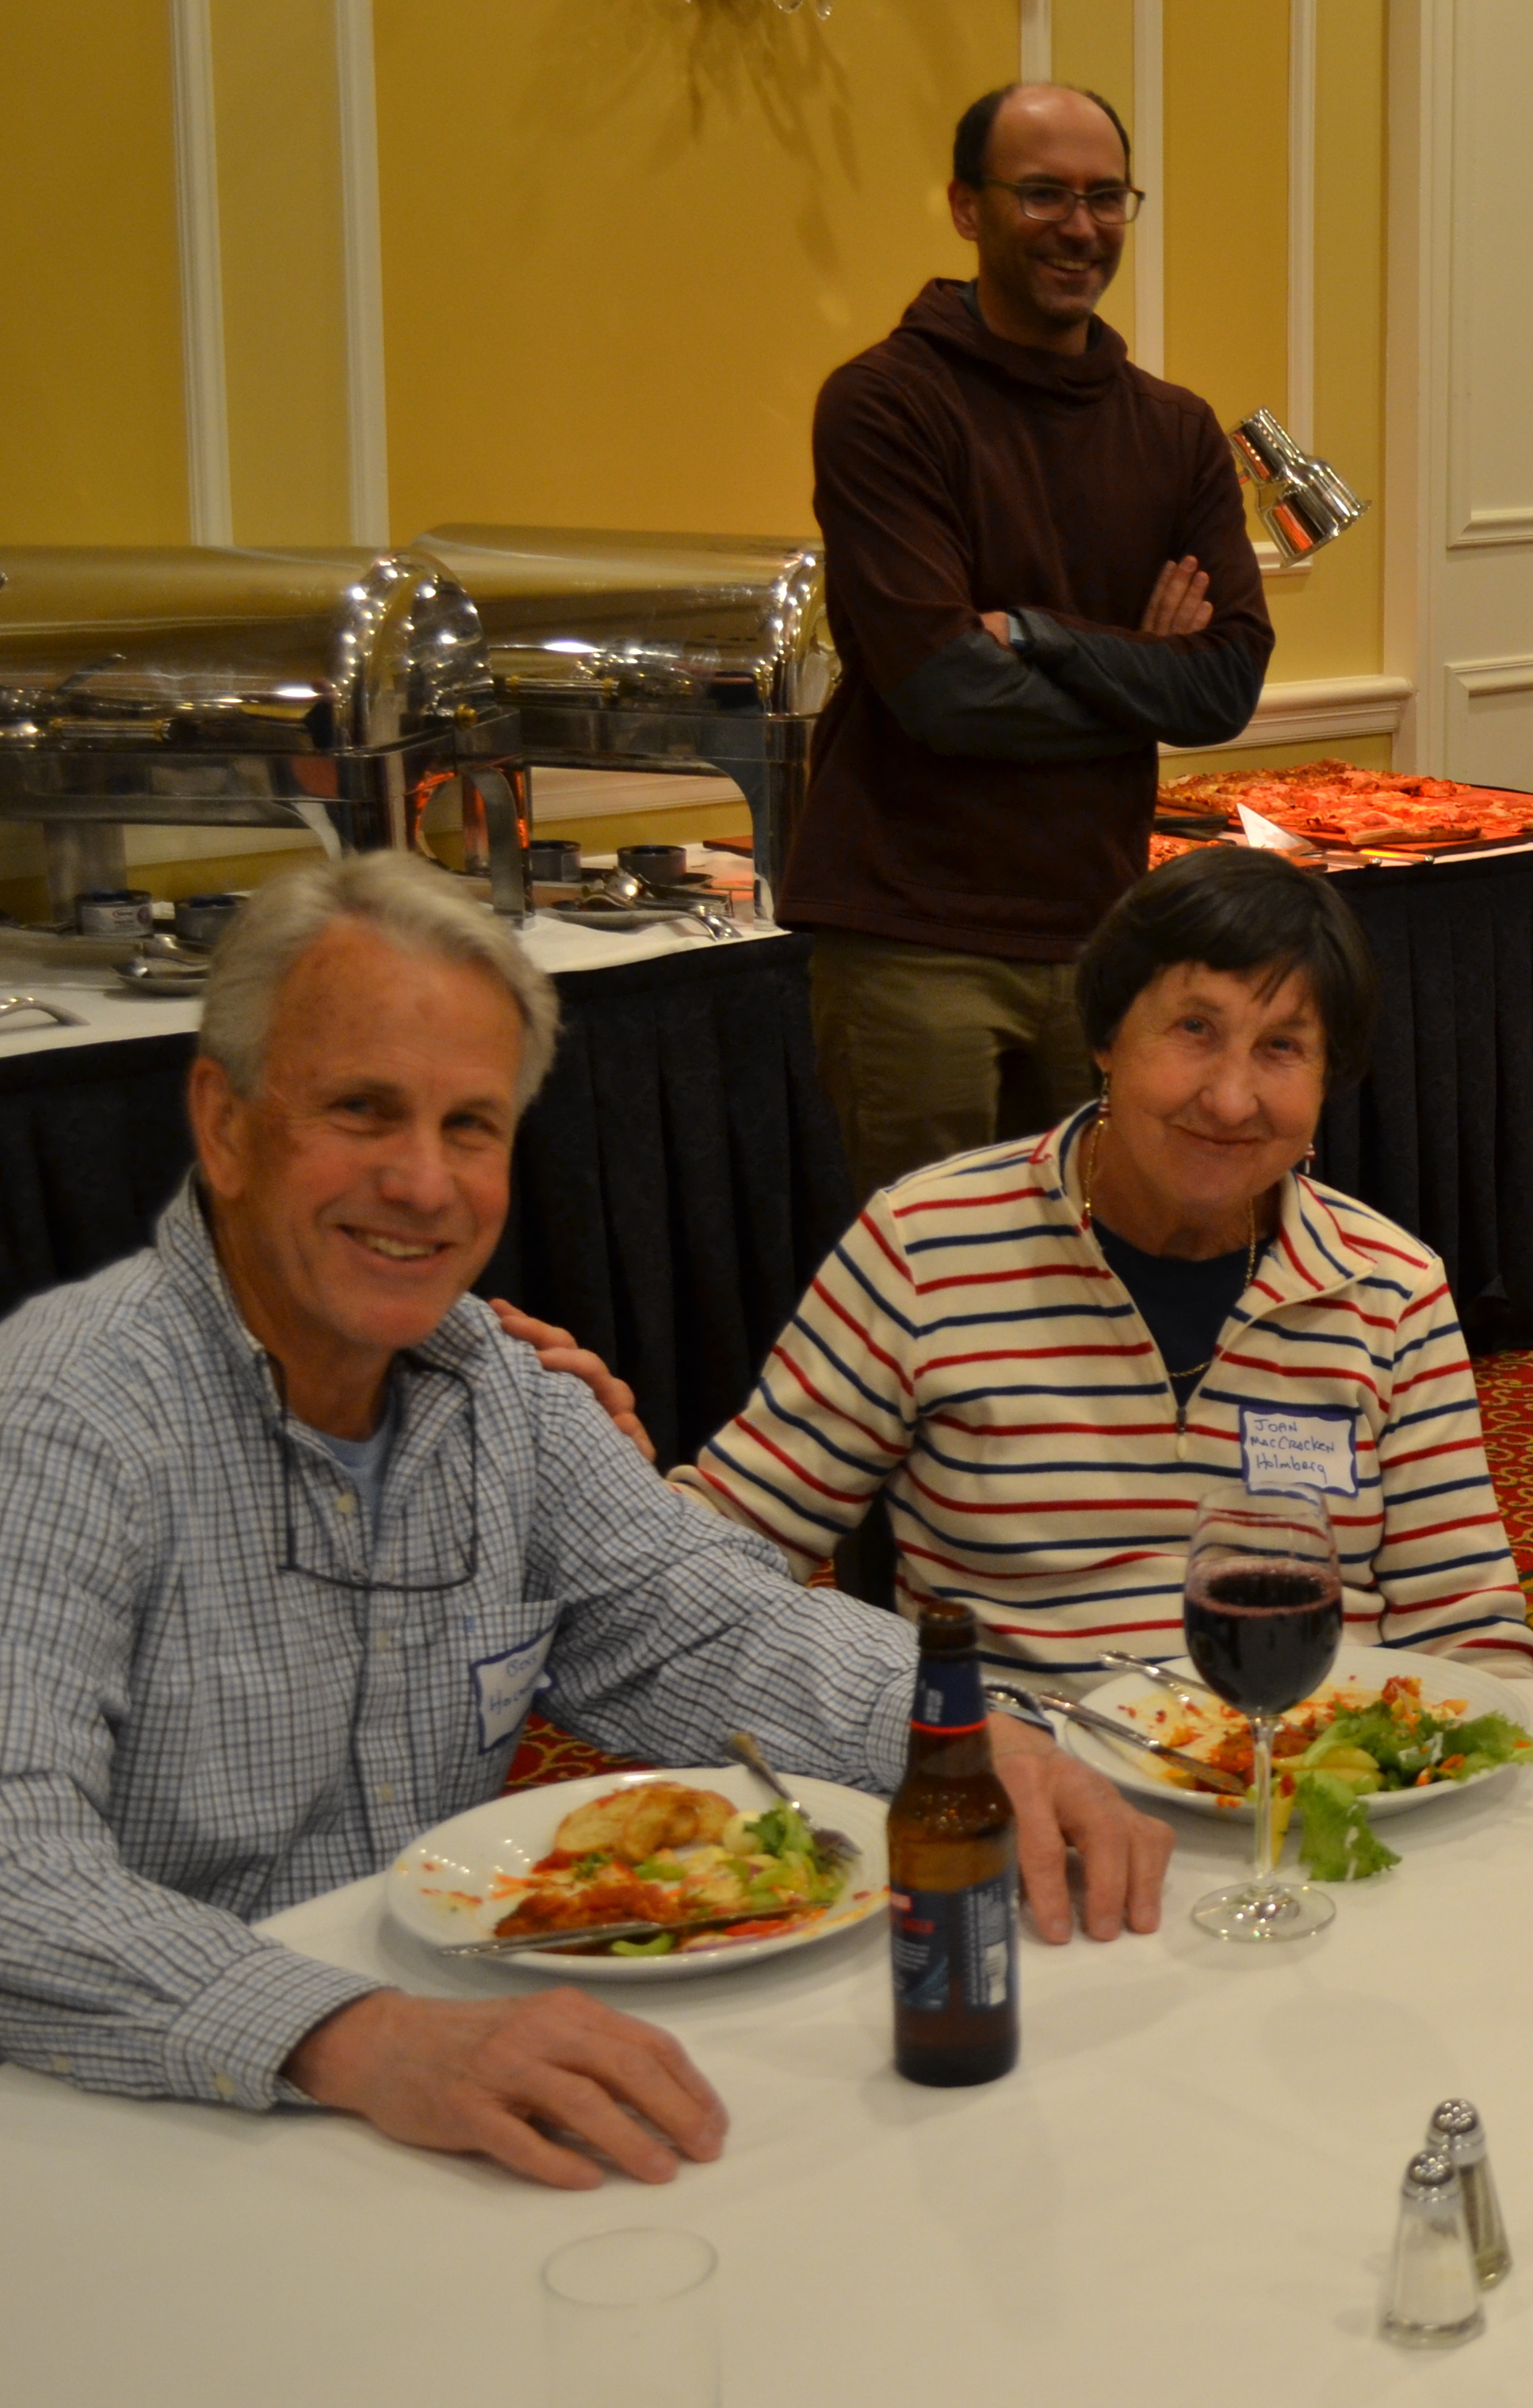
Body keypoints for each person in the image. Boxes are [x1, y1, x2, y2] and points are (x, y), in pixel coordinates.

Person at [0, 854, 1171, 2190]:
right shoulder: (63, 1419)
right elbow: (11, 1866)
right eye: (362, 1111)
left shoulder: (503, 1397)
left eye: (470, 1126)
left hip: (438, 2116)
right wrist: (356, 2036)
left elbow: (709, 1628)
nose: (424, 1185)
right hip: (130, 2135)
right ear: (225, 1123)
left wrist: (973, 1740)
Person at [676, 844, 1533, 1680]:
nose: (1231, 1101)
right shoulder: (925, 1244)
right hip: (1033, 1793)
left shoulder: (1388, 1287)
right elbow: (730, 1545)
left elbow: (1466, 1629)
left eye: (1281, 1048)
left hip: (1309, 1787)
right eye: (1195, 1029)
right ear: (1105, 1037)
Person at [782, 81, 1279, 1197]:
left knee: (1093, 1274)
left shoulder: (1177, 429)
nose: (1080, 225)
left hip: (1103, 941)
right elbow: (944, 695)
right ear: (968, 208)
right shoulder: (881, 405)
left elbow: (1223, 690)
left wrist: (1044, 636)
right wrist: (1140, 667)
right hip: (912, 938)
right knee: (936, 1296)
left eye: (1106, 197)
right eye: (1043, 194)